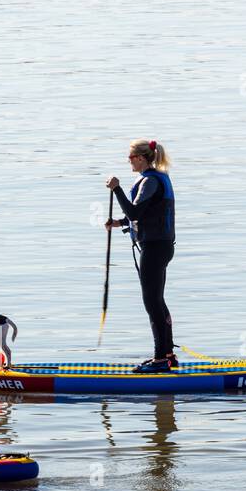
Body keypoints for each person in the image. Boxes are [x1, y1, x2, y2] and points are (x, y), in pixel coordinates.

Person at [105, 139, 177, 372]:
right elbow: (143, 214)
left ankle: (160, 361)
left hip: (155, 248)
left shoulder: (150, 181)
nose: (128, 161)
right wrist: (119, 223)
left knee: (152, 302)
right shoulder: (155, 179)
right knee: (158, 300)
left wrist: (116, 189)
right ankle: (168, 355)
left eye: (130, 157)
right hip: (160, 246)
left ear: (141, 158)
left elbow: (135, 210)